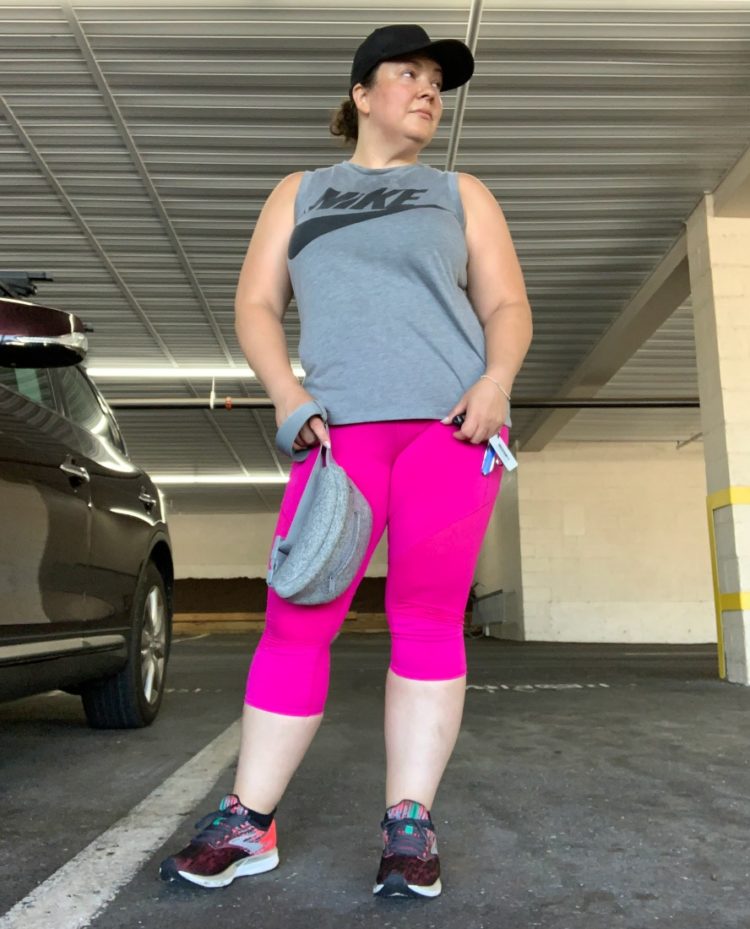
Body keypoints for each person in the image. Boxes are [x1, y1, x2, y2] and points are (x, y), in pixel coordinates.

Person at [160, 23, 533, 899]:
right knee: (297, 618)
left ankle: (409, 824)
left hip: (449, 432)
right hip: (337, 439)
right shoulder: (301, 190)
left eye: (438, 80)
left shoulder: (460, 191)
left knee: (429, 621)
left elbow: (507, 302)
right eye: (409, 74)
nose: (428, 90)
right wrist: (289, 398)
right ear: (362, 94)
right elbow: (256, 303)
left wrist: (498, 381)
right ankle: (250, 820)